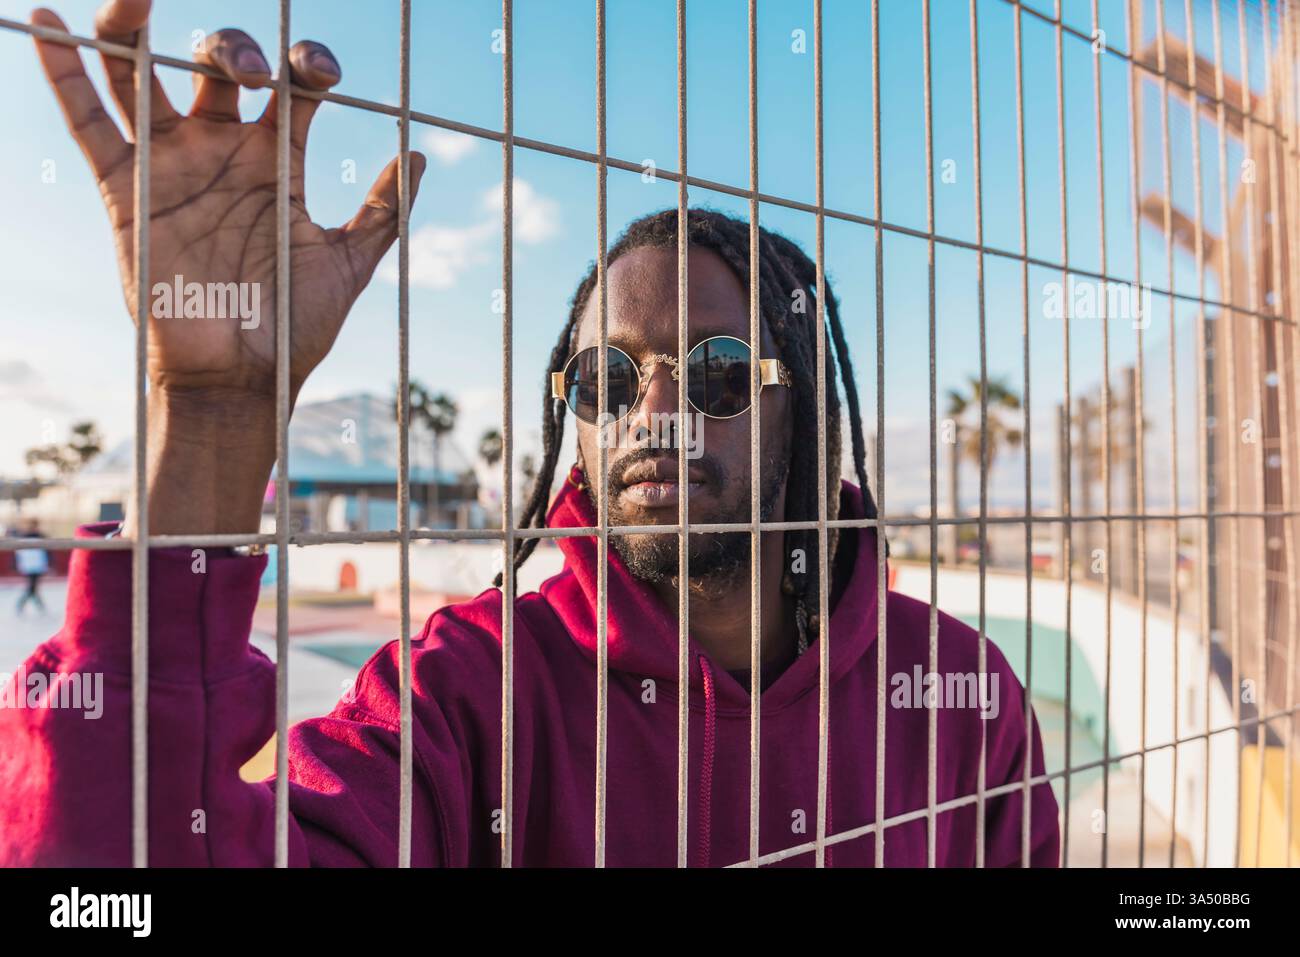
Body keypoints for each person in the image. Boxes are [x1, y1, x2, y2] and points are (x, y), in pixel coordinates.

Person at [0, 0, 1059, 867]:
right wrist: (216, 417)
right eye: (604, 379)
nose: (651, 415)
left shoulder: (960, 698)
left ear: (803, 409)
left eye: (717, 373)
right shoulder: (469, 693)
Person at [13, 518, 49, 616]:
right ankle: (26, 604)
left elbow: (47, 551)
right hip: (28, 564)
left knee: (34, 586)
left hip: (38, 564)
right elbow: (18, 552)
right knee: (32, 586)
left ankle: (38, 605)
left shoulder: (41, 536)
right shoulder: (23, 536)